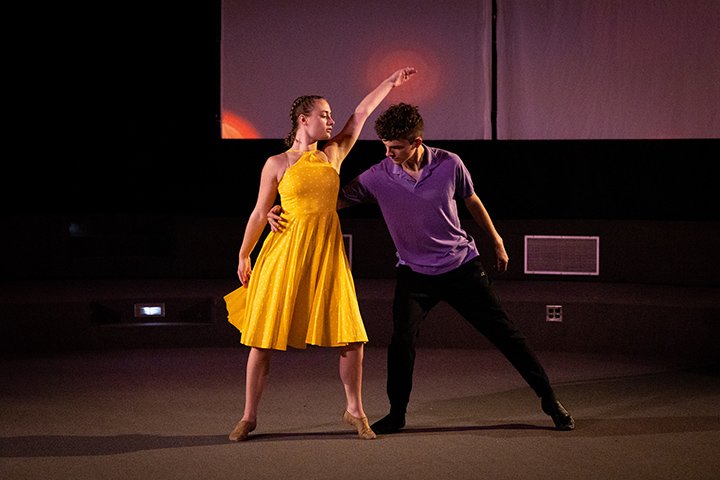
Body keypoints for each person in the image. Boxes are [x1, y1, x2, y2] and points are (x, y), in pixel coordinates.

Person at [268, 102, 575, 434]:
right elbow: (329, 199)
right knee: (401, 342)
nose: (389, 154)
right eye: (385, 147)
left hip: (461, 268)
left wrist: (496, 240)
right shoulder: (378, 175)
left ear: (417, 142)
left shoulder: (449, 164)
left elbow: (472, 200)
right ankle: (397, 413)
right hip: (414, 275)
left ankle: (550, 401)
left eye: (396, 147)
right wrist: (279, 209)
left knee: (507, 336)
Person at [223, 68, 417, 442]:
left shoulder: (333, 154)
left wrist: (390, 83)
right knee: (262, 339)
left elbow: (360, 114)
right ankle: (249, 416)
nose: (331, 120)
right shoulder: (277, 163)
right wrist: (244, 254)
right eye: (324, 114)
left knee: (351, 337)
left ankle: (354, 409)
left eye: (331, 115)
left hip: (327, 256)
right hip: (285, 254)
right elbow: (261, 212)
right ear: (303, 119)